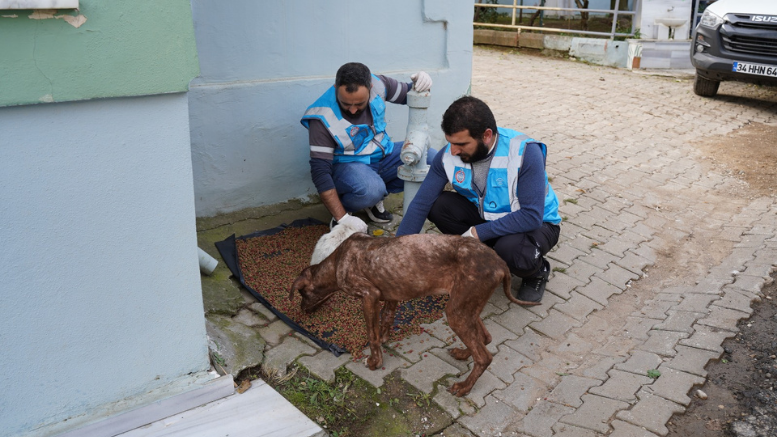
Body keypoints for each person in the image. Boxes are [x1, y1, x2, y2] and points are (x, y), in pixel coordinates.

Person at [396, 96, 561, 305]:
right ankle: (486, 254)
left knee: (513, 253)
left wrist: (476, 233)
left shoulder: (524, 153)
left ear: (486, 136)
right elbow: (421, 203)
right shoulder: (448, 155)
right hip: (490, 217)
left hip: (537, 224)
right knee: (440, 206)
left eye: (461, 144)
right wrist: (397, 250)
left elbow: (532, 216)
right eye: (450, 143)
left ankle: (537, 271)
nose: (454, 151)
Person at [301, 62, 435, 229]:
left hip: (383, 155)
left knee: (432, 161)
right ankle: (347, 210)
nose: (352, 110)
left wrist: (422, 84)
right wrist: (341, 218)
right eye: (346, 104)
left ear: (370, 87)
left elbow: (410, 95)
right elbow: (320, 174)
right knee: (370, 189)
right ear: (336, 88)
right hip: (349, 167)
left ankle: (374, 198)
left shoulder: (379, 84)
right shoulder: (321, 118)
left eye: (359, 104)